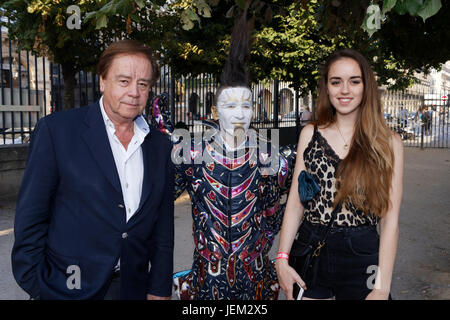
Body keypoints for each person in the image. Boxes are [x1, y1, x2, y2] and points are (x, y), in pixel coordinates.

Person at [11, 40, 174, 300]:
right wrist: (40, 288)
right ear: (102, 81)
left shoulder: (160, 146)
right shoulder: (57, 132)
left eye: (143, 84)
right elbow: (30, 219)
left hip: (134, 289)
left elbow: (163, 227)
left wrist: (159, 287)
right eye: (124, 81)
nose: (134, 92)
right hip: (67, 290)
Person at [154, 4, 296, 300]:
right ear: (216, 109)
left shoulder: (270, 158)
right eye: (231, 106)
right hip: (207, 278)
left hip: (255, 278)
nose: (240, 114)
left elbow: (279, 211)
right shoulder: (192, 155)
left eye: (246, 105)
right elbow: (159, 198)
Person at [275, 48, 403, 300]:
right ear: (327, 88)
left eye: (354, 81)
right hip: (311, 249)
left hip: (362, 254)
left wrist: (381, 287)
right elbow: (295, 203)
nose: (345, 90)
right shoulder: (310, 135)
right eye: (336, 82)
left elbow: (390, 220)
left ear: (366, 86)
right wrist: (281, 260)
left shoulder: (389, 143)